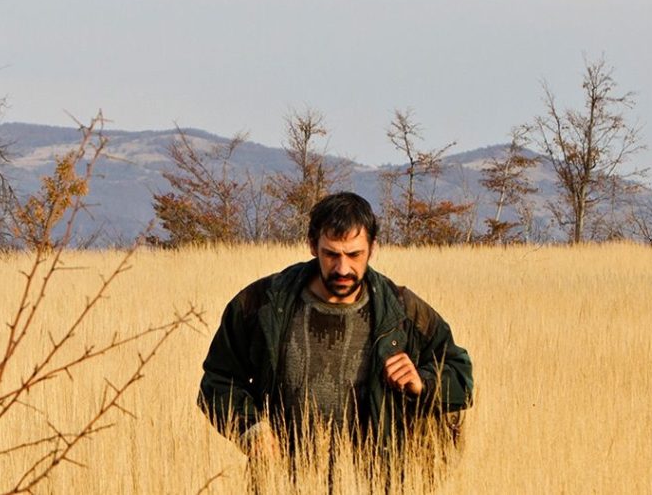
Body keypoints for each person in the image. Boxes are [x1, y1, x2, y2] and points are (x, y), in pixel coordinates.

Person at [197, 192, 473, 486]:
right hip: (282, 482)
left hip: (372, 482)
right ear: (312, 245)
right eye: (331, 254)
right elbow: (217, 379)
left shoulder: (402, 310)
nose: (343, 268)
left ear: (373, 248)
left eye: (354, 255)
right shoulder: (262, 304)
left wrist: (424, 382)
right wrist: (249, 428)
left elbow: (461, 378)